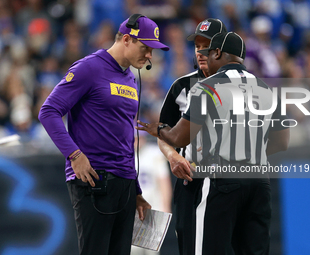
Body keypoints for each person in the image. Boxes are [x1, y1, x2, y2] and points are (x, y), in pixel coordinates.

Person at [137, 31, 290, 254]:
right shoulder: (266, 88)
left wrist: (159, 130)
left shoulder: (207, 86)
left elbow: (180, 137)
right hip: (259, 181)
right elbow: (282, 141)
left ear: (218, 53)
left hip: (220, 178)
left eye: (208, 52)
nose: (204, 56)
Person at [38, 14, 169, 255]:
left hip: (125, 184)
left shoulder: (131, 77)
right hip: (94, 180)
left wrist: (136, 190)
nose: (150, 56)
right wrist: (74, 155)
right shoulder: (89, 68)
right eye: (146, 48)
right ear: (127, 39)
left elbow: (124, 137)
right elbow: (48, 112)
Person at [157, 18, 227, 254]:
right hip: (191, 180)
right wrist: (172, 156)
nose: (200, 51)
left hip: (230, 181)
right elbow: (162, 132)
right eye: (197, 45)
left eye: (206, 45)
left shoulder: (242, 85)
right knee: (189, 245)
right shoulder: (181, 86)